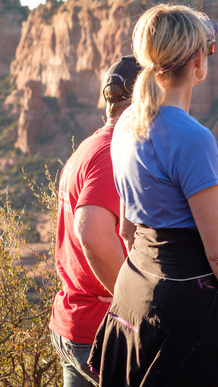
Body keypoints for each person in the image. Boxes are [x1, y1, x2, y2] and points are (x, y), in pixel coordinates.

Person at [88, 4, 218, 387]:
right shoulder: (193, 138)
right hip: (185, 308)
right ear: (198, 59)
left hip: (132, 294)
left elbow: (128, 232)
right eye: (210, 49)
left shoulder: (125, 126)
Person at [50, 55, 142, 387]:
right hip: (102, 332)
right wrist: (134, 306)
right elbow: (90, 232)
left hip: (73, 324)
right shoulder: (111, 152)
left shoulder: (89, 146)